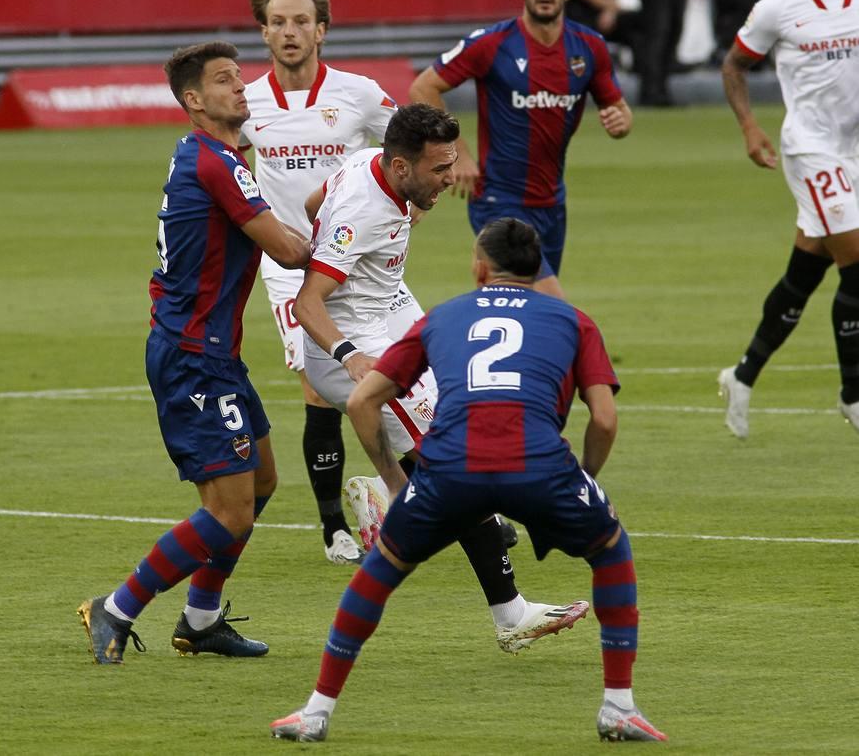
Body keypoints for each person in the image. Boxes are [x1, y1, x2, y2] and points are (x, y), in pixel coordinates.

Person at [270, 217, 667, 744]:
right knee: (611, 550)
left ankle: (315, 712)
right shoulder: (575, 321)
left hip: (450, 470)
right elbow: (605, 419)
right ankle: (618, 707)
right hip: (541, 468)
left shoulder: (444, 317)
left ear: (480, 268)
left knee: (380, 574)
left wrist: (393, 478)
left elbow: (365, 399)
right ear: (536, 268)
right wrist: (583, 480)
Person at [294, 103, 586, 656]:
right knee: (455, 461)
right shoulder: (364, 208)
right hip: (352, 343)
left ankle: (410, 501)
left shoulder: (367, 165)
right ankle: (507, 610)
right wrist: (352, 355)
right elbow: (308, 300)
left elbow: (314, 205)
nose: (451, 177)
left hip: (389, 310)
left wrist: (357, 246)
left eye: (452, 162)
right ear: (401, 166)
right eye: (440, 168)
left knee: (463, 410)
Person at [77, 41, 311, 664]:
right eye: (225, 81)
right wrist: (353, 230)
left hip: (210, 352)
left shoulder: (212, 156)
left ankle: (202, 620)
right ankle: (117, 607)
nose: (242, 88)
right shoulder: (217, 163)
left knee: (261, 480)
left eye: (241, 78)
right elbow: (289, 253)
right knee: (230, 510)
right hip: (193, 357)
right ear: (192, 100)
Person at [240, 0, 438, 565]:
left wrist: (407, 207)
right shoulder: (246, 104)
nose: (290, 32)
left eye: (301, 21)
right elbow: (225, 174)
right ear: (265, 33)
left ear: (321, 30)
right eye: (278, 22)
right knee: (324, 390)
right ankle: (334, 527)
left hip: (366, 263)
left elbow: (409, 149)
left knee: (421, 373)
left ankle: (421, 497)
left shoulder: (357, 93)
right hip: (291, 272)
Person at [409, 0, 632, 300]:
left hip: (551, 204)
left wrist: (621, 123)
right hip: (498, 200)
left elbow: (620, 109)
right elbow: (423, 88)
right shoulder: (491, 43)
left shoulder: (589, 47)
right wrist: (457, 153)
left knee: (529, 312)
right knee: (552, 304)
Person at [718, 0, 859, 438]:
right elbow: (734, 65)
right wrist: (751, 128)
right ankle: (853, 393)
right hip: (812, 151)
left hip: (855, 154)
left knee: (806, 273)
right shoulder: (778, 10)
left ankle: (743, 374)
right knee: (858, 269)